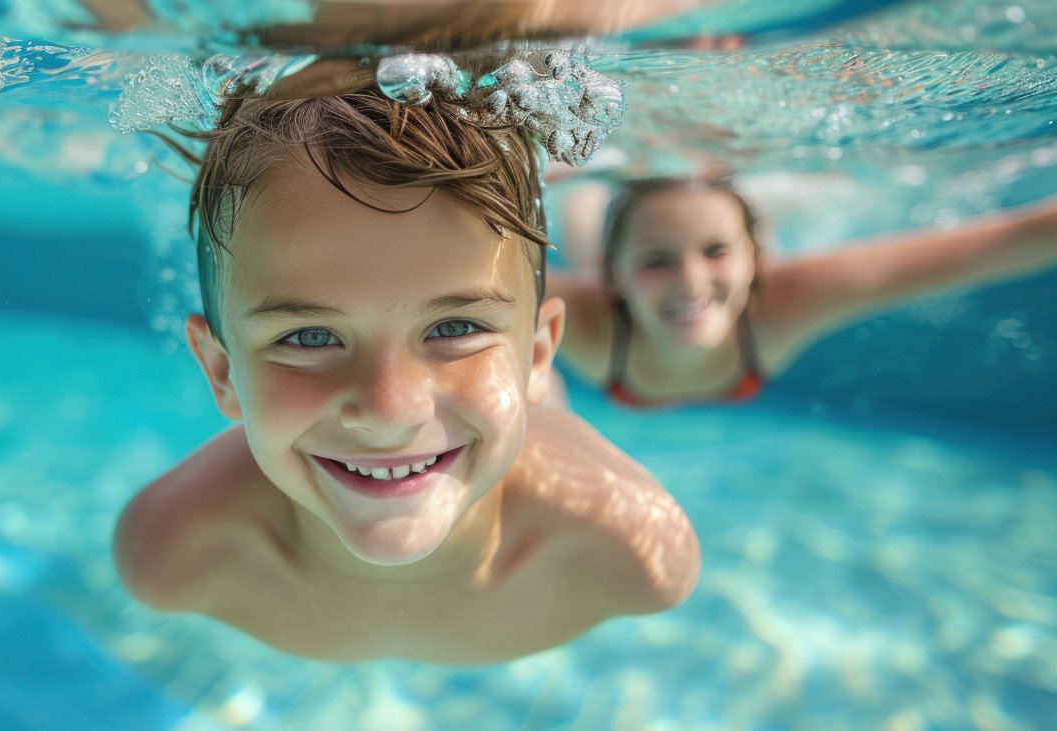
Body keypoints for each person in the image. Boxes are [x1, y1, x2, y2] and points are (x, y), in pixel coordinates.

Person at [112, 80, 700, 664]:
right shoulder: (171, 553)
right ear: (221, 372)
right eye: (309, 337)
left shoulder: (632, 552)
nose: (389, 410)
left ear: (540, 353)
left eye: (454, 328)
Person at [547, 173, 1057, 407]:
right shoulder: (582, 309)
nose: (692, 281)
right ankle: (588, 186)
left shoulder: (784, 300)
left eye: (718, 252)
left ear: (758, 259)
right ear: (620, 274)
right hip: (611, 277)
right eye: (658, 262)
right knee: (589, 229)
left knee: (651, 227)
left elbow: (1007, 241)